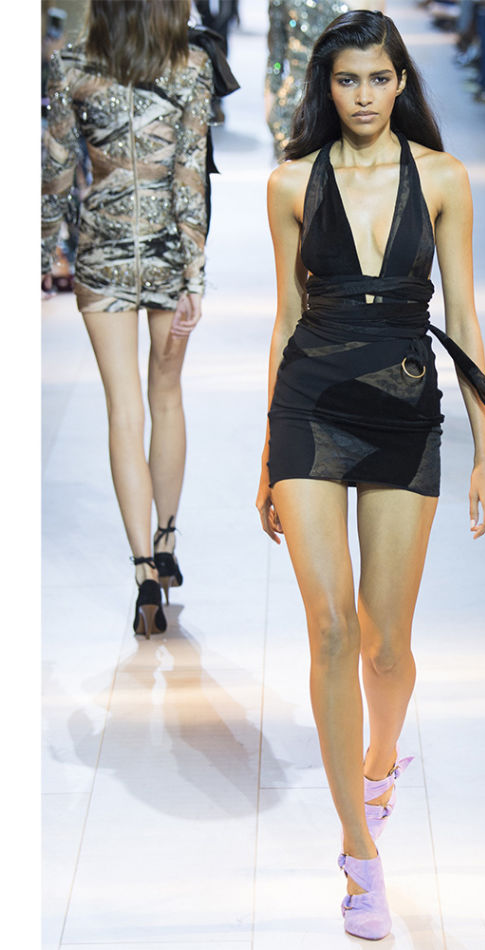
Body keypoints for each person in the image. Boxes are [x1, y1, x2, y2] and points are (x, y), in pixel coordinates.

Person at [255, 10, 485, 940]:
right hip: (309, 411)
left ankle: (381, 755)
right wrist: (266, 455)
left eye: (377, 78)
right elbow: (285, 320)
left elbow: (466, 323)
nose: (362, 96)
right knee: (329, 629)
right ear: (325, 88)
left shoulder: (442, 177)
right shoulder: (289, 183)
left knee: (385, 647)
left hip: (404, 413)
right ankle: (359, 854)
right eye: (346, 80)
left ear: (401, 82)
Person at [41, 0, 214, 637]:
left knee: (123, 410)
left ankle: (143, 567)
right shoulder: (191, 65)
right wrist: (194, 275)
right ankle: (166, 539)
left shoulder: (71, 65)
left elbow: (57, 173)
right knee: (166, 396)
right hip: (168, 252)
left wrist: (41, 255)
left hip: (102, 251)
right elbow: (190, 177)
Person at [265, 0, 385, 162]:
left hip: (343, 107)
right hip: (292, 108)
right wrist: (270, 101)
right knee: (294, 174)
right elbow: (276, 54)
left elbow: (379, 51)